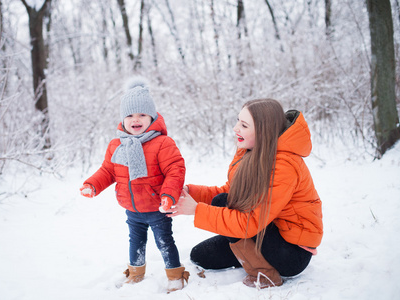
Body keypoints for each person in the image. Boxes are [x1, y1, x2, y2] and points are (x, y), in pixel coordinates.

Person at [166, 98, 323, 289]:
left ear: (263, 131)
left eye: (244, 125)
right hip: (264, 230)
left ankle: (265, 273)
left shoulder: (283, 166)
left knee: (221, 202)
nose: (235, 128)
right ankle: (246, 250)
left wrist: (196, 210)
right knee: (200, 255)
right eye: (238, 121)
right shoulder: (251, 151)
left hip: (290, 251)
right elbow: (233, 192)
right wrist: (192, 192)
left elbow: (250, 221)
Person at [80, 77, 189, 293]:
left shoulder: (162, 143)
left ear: (152, 117)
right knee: (135, 242)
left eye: (141, 114)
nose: (135, 119)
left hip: (158, 208)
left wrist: (169, 196)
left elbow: (175, 171)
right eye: (129, 115)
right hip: (132, 209)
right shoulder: (116, 145)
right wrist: (93, 184)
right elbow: (108, 170)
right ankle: (136, 274)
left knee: (165, 242)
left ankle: (175, 275)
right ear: (123, 119)